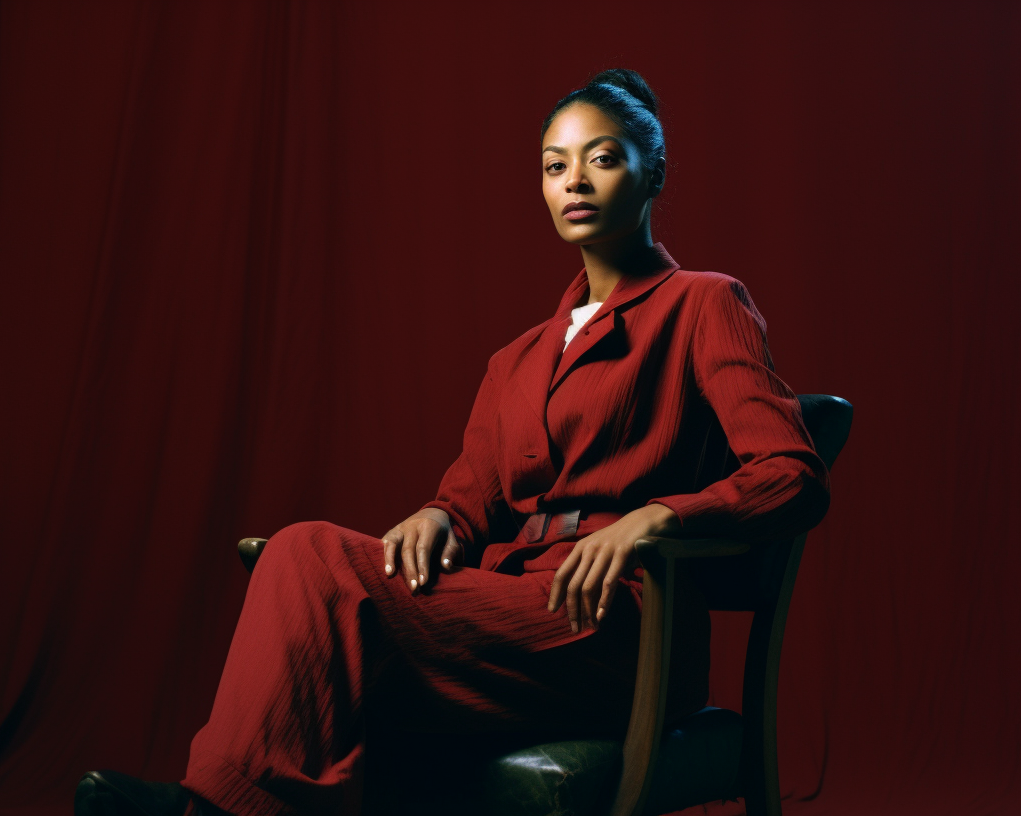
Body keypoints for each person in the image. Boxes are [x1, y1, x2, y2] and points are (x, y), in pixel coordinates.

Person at [76, 68, 830, 816]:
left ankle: (207, 811)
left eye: (601, 158)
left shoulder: (704, 304)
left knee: (308, 562)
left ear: (652, 171)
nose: (575, 181)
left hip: (623, 626)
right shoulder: (517, 359)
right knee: (301, 552)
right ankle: (222, 808)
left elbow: (792, 474)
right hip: (514, 607)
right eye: (554, 165)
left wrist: (658, 517)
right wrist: (442, 519)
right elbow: (469, 501)